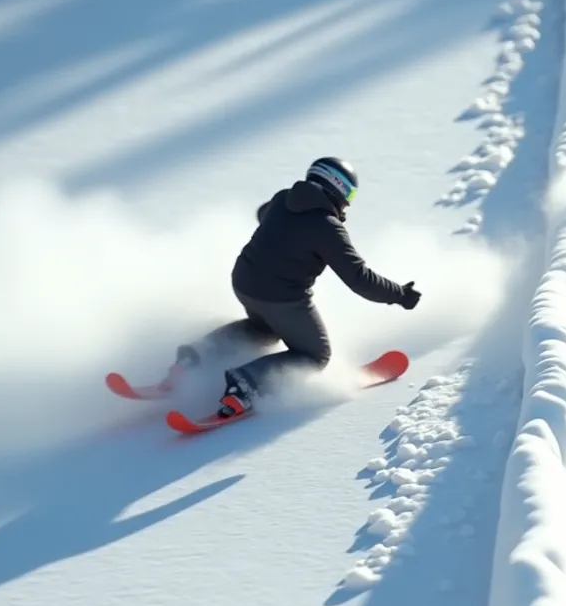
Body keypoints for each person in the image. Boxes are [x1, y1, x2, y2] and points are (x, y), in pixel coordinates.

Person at [174, 157, 421, 418]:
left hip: (244, 281)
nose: (349, 202)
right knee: (315, 354)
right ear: (336, 187)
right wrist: (400, 294)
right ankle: (244, 385)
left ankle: (195, 356)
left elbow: (263, 213)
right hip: (281, 297)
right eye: (350, 193)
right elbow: (360, 279)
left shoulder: (282, 200)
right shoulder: (327, 228)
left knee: (264, 329)